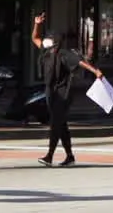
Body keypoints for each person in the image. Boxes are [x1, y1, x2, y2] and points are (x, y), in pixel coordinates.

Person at [31, 13, 103, 167]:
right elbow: (35, 38)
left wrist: (95, 71)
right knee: (61, 124)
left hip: (63, 93)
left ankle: (49, 156)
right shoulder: (46, 51)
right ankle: (70, 156)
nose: (46, 39)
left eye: (50, 37)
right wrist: (37, 24)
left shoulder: (64, 54)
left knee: (56, 124)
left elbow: (80, 62)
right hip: (51, 91)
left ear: (55, 41)